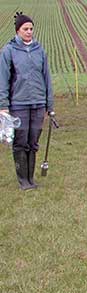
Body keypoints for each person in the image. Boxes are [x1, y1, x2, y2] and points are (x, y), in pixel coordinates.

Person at [0, 12, 54, 190]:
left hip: (38, 103)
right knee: (21, 141)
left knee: (33, 141)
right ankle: (23, 180)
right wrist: (3, 105)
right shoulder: (9, 51)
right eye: (25, 29)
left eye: (31, 28)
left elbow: (47, 78)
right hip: (18, 104)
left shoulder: (40, 50)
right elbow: (3, 78)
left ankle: (31, 178)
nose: (29, 32)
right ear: (18, 31)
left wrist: (49, 104)